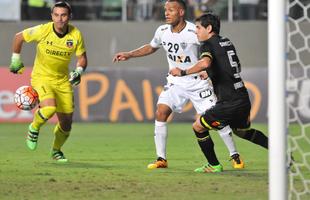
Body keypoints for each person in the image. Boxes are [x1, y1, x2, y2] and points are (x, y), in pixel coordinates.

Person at [113, 0, 243, 171]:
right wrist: (129, 54)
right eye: (165, 10)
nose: (166, 13)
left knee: (216, 120)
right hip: (176, 82)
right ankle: (161, 159)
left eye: (171, 10)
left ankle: (234, 155)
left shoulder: (193, 32)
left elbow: (211, 51)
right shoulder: (162, 31)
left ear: (181, 12)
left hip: (198, 83)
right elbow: (151, 47)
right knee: (161, 111)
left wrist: (211, 71)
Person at [170, 13, 268, 172]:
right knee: (242, 132)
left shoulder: (206, 44)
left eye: (198, 27)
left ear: (209, 28)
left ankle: (214, 164)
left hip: (228, 102)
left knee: (198, 127)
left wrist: (183, 72)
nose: (196, 31)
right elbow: (233, 66)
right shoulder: (226, 42)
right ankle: (281, 154)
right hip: (242, 97)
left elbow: (205, 62)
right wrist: (210, 73)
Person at [9, 1, 87, 162]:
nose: (60, 19)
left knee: (66, 124)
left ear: (69, 17)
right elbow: (19, 37)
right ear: (52, 16)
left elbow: (82, 58)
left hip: (63, 81)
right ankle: (34, 127)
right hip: (42, 77)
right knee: (50, 108)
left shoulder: (75, 34)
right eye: (56, 15)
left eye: (63, 15)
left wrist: (79, 71)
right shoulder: (43, 30)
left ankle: (56, 151)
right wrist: (15, 59)